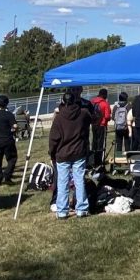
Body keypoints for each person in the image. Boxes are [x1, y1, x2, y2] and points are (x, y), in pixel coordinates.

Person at [48, 91, 94, 219]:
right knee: (79, 181)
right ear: (75, 101)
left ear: (62, 101)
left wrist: (52, 153)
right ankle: (82, 209)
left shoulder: (58, 118)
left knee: (63, 182)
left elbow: (53, 139)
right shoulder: (83, 114)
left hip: (63, 154)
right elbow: (93, 118)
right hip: (78, 152)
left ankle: (62, 211)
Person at [90, 88, 112, 172]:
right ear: (105, 95)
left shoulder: (92, 102)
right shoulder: (105, 103)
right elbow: (107, 117)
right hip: (102, 125)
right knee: (101, 144)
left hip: (93, 125)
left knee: (94, 142)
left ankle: (93, 161)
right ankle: (100, 162)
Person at [112, 92, 131, 158]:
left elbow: (113, 117)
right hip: (126, 127)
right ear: (126, 98)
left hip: (118, 127)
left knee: (119, 144)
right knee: (127, 143)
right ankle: (127, 158)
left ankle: (118, 158)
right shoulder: (128, 106)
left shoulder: (115, 106)